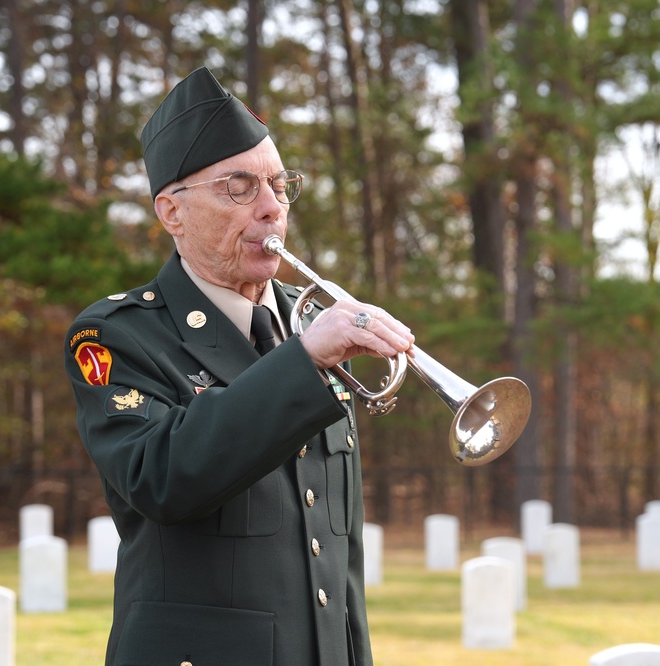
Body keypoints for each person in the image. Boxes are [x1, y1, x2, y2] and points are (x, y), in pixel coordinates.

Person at [64, 66, 414, 666]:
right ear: (172, 212)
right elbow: (161, 478)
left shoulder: (307, 326)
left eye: (280, 186)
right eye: (239, 188)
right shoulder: (117, 335)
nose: (271, 209)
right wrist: (304, 361)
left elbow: (337, 558)